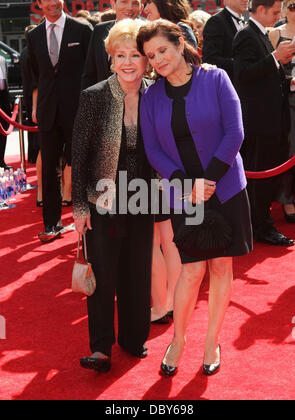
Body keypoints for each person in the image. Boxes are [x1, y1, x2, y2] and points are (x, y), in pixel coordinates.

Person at [137, 19, 253, 376]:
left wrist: (209, 180)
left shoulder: (216, 79)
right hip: (182, 196)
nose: (157, 60)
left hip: (226, 189)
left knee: (221, 266)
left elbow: (235, 132)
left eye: (162, 50)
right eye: (150, 56)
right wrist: (187, 185)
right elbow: (153, 150)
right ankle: (178, 339)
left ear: (181, 44)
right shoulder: (151, 96)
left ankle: (211, 340)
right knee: (190, 271)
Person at [73, 19, 154, 373]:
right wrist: (78, 208)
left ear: (147, 59)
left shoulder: (157, 94)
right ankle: (101, 348)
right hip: (103, 197)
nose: (127, 62)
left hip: (144, 195)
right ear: (110, 58)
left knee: (137, 271)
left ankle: (134, 339)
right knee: (103, 274)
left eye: (135, 54)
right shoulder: (95, 96)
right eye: (120, 54)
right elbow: (78, 156)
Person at [233, 0, 295, 246]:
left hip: (271, 119)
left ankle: (260, 224)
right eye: (274, 12)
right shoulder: (246, 35)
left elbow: (266, 75)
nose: (277, 17)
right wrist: (275, 56)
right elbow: (244, 75)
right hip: (260, 122)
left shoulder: (258, 34)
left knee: (266, 177)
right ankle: (261, 226)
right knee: (261, 177)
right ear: (260, 10)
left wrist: (289, 78)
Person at [28, 0, 92, 243]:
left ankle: (88, 222)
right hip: (48, 112)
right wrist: (35, 106)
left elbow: (91, 70)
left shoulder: (83, 29)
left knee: (82, 167)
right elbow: (37, 75)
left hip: (78, 110)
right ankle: (51, 224)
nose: (53, 3)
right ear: (40, 3)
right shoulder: (33, 36)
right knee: (50, 171)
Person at [269, 0, 295, 222]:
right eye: (292, 6)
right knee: (292, 149)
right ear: (283, 9)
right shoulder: (274, 34)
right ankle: (288, 200)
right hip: (288, 101)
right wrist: (292, 80)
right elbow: (270, 69)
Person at [82, 0, 143, 89]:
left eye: (135, 3)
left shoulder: (147, 32)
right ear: (113, 4)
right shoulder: (100, 30)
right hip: (102, 100)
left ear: (141, 7)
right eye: (124, 2)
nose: (130, 8)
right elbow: (89, 73)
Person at [20, 25, 43, 206]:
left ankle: (42, 193)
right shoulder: (33, 53)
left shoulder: (25, 52)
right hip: (39, 99)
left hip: (33, 97)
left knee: (38, 142)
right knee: (44, 146)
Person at [202, 0, 249, 80]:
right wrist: (242, 64)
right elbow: (210, 59)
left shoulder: (245, 22)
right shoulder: (216, 21)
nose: (246, 0)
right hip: (227, 83)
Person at [0, 55, 11, 171]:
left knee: (4, 129)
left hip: (3, 98)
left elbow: (5, 80)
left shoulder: (2, 59)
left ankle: (1, 160)